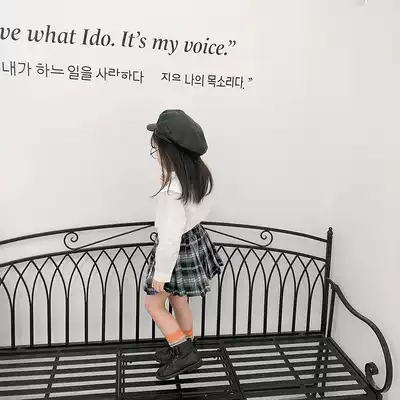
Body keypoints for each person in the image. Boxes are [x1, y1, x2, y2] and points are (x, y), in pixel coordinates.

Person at [144, 109, 223, 381]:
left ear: (171, 152)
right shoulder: (200, 175)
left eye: (157, 149)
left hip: (176, 249)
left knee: (153, 304)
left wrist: (161, 274)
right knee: (179, 299)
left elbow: (169, 238)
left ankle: (185, 353)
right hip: (194, 239)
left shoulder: (173, 191)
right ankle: (183, 343)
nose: (156, 155)